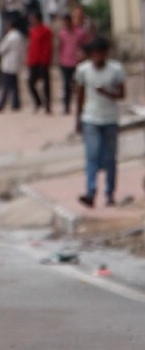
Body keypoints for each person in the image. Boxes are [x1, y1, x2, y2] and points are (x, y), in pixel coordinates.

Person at [75, 35, 126, 208]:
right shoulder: (84, 70)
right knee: (92, 156)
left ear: (105, 53)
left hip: (110, 119)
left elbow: (122, 94)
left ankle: (110, 193)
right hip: (90, 118)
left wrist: (107, 93)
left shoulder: (115, 70)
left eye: (100, 53)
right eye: (94, 53)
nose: (97, 56)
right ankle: (90, 191)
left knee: (110, 158)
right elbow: (80, 95)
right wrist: (78, 119)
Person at [0, 14, 26, 111]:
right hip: (16, 63)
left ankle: (1, 105)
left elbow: (1, 49)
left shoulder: (9, 37)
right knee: (15, 86)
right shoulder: (20, 36)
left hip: (8, 64)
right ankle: (16, 104)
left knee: (6, 86)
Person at [26, 6, 53, 114]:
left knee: (46, 84)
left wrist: (45, 60)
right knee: (31, 83)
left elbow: (47, 47)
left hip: (42, 61)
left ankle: (48, 105)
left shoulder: (46, 30)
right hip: (33, 61)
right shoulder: (32, 31)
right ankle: (38, 101)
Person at [57, 11, 83, 116]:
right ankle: (66, 107)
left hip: (76, 62)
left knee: (78, 85)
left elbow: (84, 46)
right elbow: (60, 47)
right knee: (66, 85)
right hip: (65, 62)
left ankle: (80, 106)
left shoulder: (79, 33)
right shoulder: (62, 33)